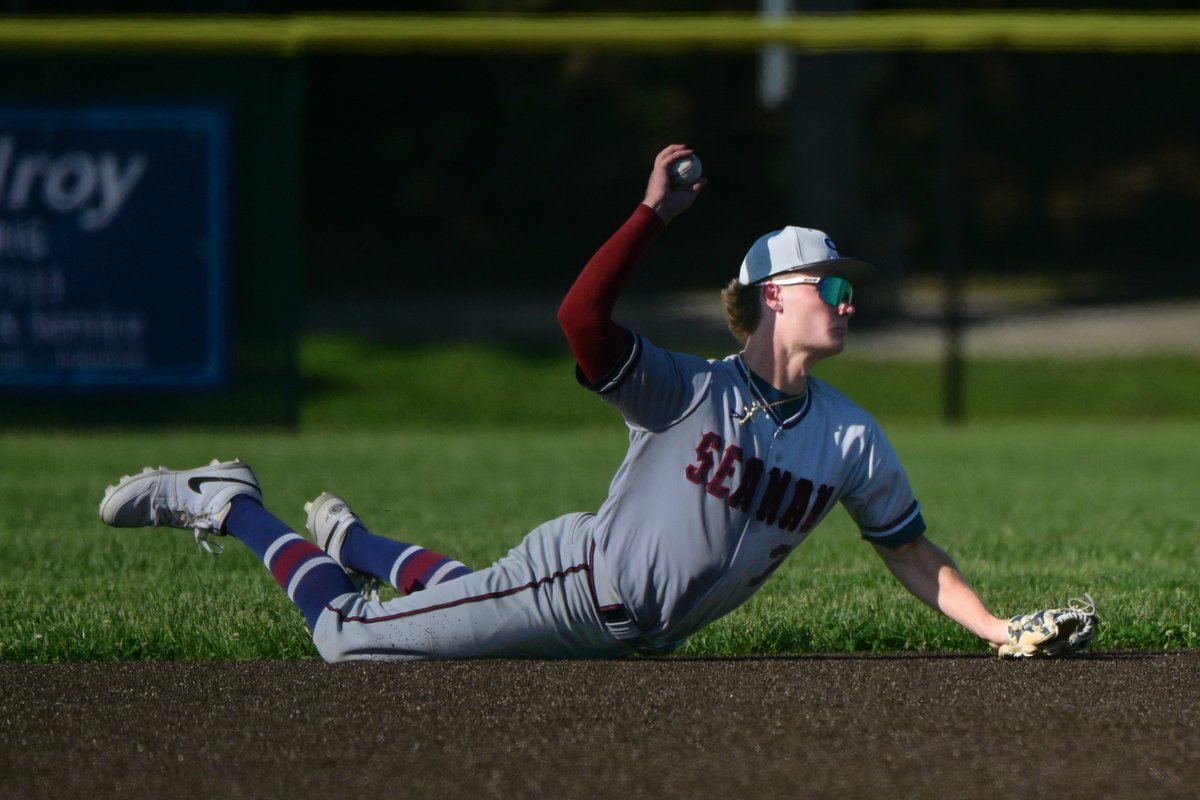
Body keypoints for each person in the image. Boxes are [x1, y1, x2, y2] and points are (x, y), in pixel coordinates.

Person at [99, 143, 1011, 661]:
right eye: (828, 285)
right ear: (773, 295)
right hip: (578, 588)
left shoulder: (850, 439)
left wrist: (1003, 632)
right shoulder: (688, 388)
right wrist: (651, 214)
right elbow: (580, 320)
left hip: (625, 639)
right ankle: (231, 504)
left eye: (848, 290)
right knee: (348, 640)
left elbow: (912, 553)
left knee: (469, 601)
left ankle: (354, 542)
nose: (846, 302)